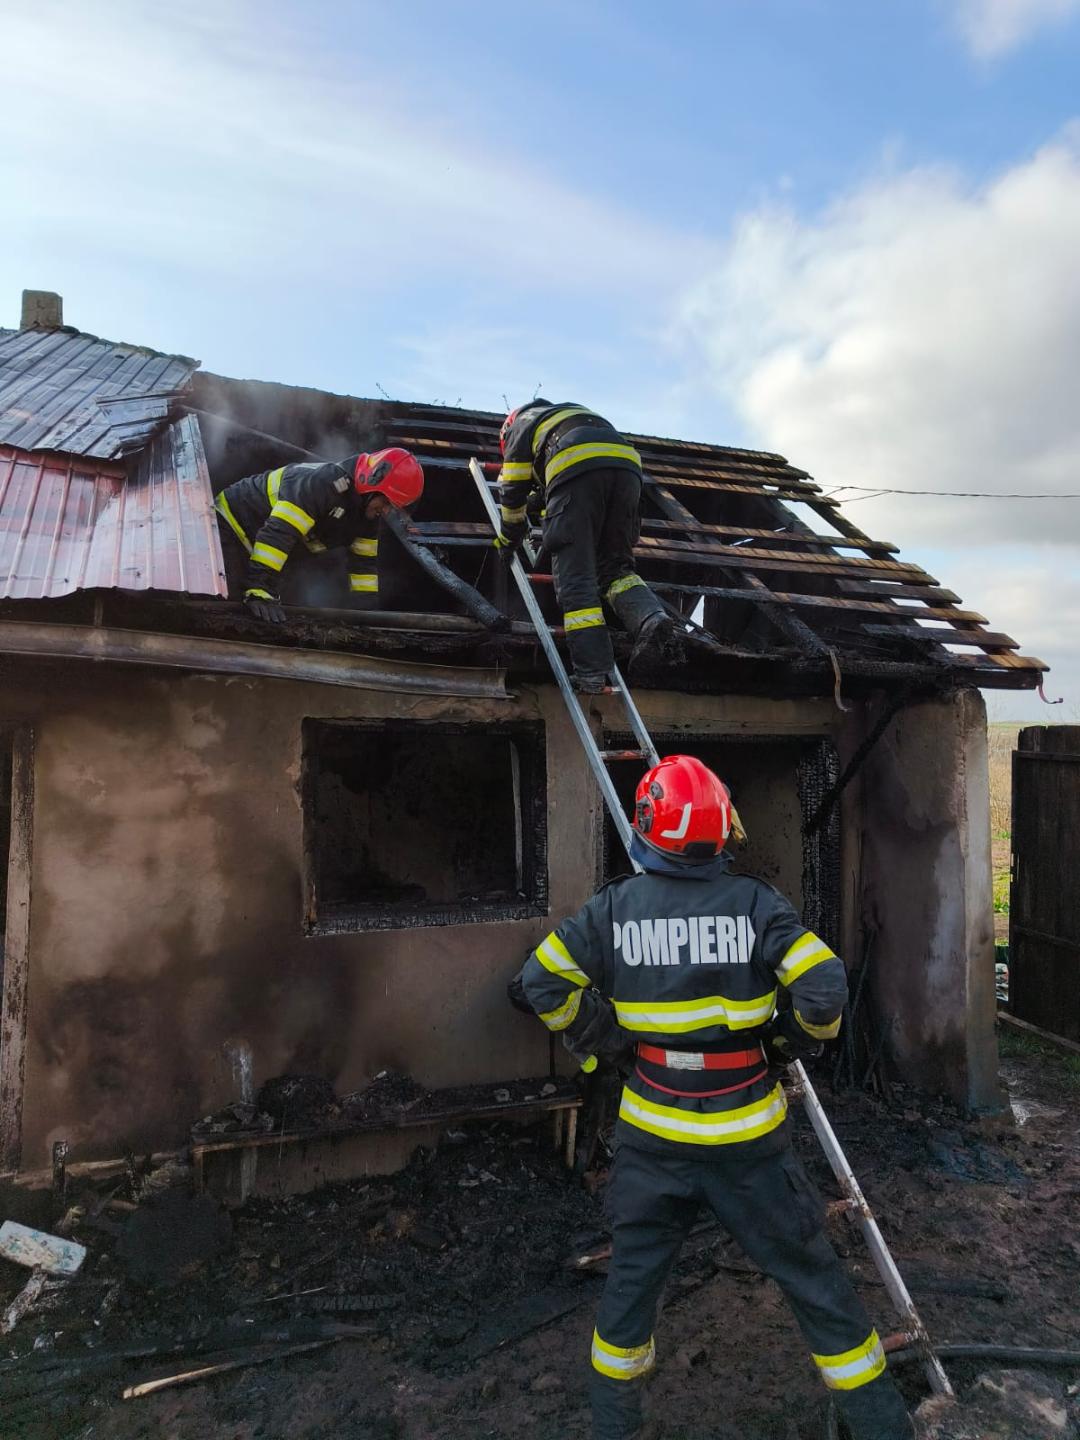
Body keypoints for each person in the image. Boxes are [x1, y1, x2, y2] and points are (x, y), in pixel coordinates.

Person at [520, 754, 914, 1440]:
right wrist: (789, 1042)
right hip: (748, 1142)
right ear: (720, 830)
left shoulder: (613, 909)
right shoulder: (757, 906)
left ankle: (614, 1426)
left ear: (648, 828)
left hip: (652, 1139)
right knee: (814, 1281)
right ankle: (882, 1425)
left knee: (629, 1288)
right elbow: (824, 988)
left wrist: (609, 1042)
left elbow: (541, 982)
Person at [494, 401, 678, 691]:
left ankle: (591, 673)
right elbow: (568, 482)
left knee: (576, 579)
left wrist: (508, 538)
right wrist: (540, 500)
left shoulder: (520, 426)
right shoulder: (568, 416)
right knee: (616, 570)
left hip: (577, 467)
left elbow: (513, 489)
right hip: (628, 471)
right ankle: (651, 619)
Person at [214, 448, 424, 621]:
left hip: (259, 547)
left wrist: (367, 615)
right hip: (230, 525)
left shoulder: (366, 516)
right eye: (386, 502)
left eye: (392, 507)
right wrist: (260, 587)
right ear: (371, 483)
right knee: (228, 607)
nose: (386, 511)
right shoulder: (323, 484)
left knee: (270, 610)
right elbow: (280, 532)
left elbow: (364, 567)